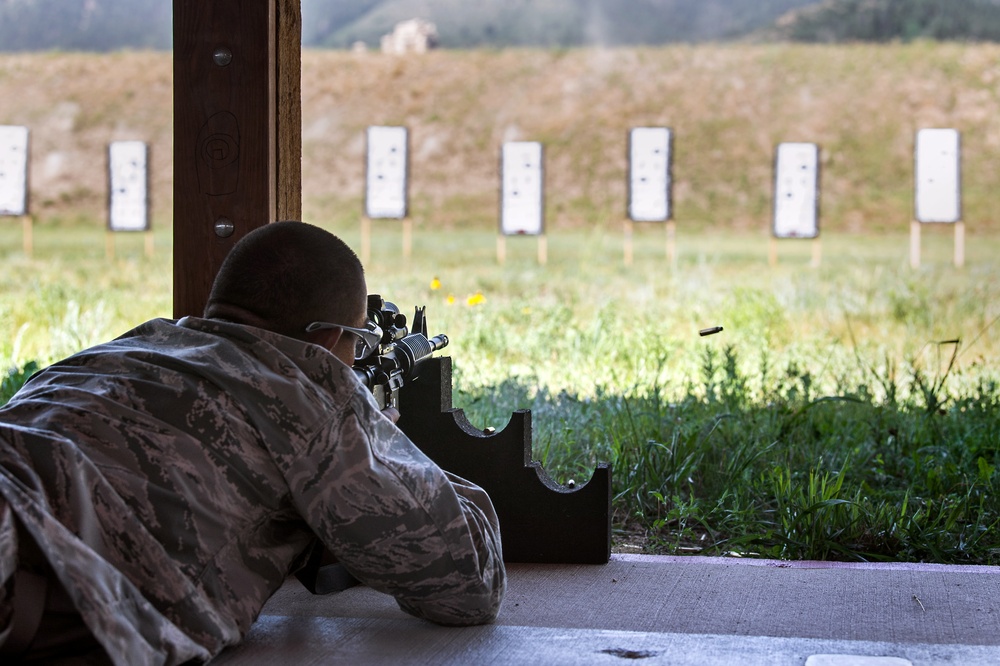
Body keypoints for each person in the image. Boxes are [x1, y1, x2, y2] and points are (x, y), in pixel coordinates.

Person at [0, 221, 505, 663]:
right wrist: (385, 450)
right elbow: (469, 584)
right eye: (358, 341)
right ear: (328, 340)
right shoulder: (306, 391)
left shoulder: (109, 354)